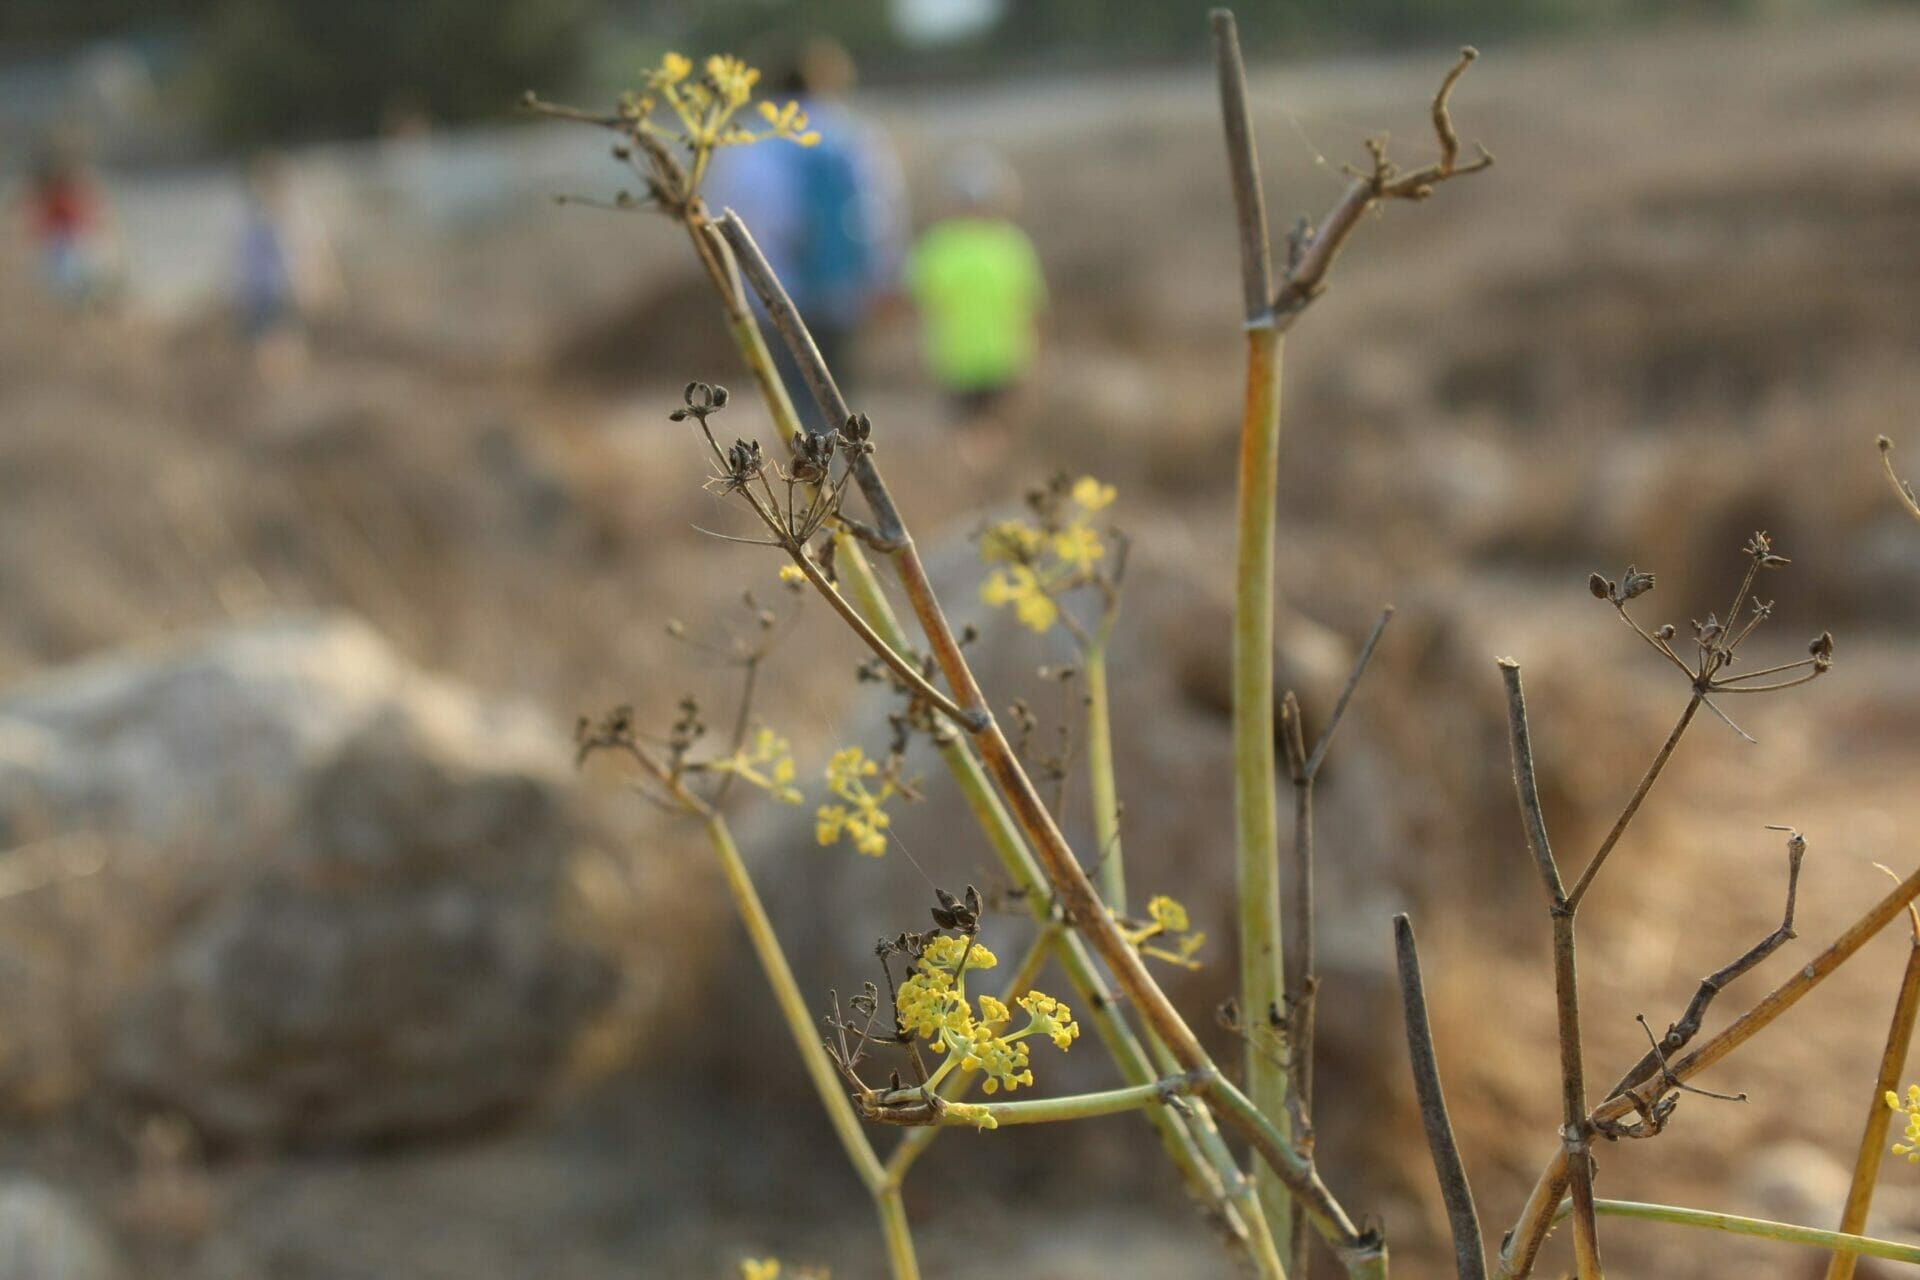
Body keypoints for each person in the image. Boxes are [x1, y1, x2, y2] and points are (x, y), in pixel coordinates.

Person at [708, 38, 904, 422]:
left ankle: (813, 473)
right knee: (841, 392)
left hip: (777, 293)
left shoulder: (755, 142)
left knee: (798, 396)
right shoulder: (853, 135)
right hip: (845, 289)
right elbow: (882, 210)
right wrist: (884, 278)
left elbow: (734, 212)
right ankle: (841, 471)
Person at [905, 146, 1046, 423]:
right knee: (998, 429)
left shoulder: (937, 245)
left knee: (966, 429)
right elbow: (1033, 308)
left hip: (954, 361)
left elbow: (913, 302)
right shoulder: (1011, 244)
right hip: (1007, 357)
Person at [24, 139, 117, 307]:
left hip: (72, 239)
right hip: (63, 240)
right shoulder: (54, 193)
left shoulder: (68, 191)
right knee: (67, 273)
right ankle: (86, 298)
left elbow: (88, 215)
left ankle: (89, 297)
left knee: (77, 271)